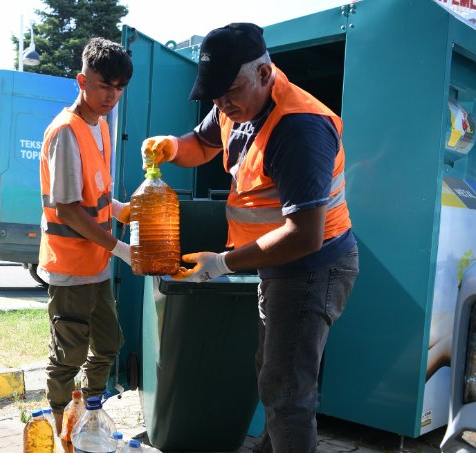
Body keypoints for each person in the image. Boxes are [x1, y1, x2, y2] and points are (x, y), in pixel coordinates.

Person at [142, 23, 359, 452]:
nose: (223, 104)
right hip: (277, 265)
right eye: (215, 95)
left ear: (264, 74)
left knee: (287, 390)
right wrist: (171, 145)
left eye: (231, 92)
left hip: (312, 268)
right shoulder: (234, 102)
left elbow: (305, 236)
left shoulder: (299, 128)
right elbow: (201, 145)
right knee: (275, 376)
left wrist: (221, 263)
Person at [37, 36, 133, 437]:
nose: (111, 95)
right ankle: (61, 428)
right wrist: (122, 248)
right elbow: (68, 209)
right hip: (70, 267)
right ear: (82, 80)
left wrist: (124, 210)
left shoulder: (101, 126)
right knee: (68, 356)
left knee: (109, 344)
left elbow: (97, 198)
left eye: (118, 87)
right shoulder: (65, 132)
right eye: (103, 85)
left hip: (96, 266)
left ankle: (89, 414)